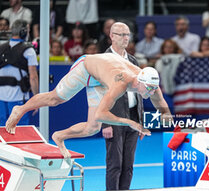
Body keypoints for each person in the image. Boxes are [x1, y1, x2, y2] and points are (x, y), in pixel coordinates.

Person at [5, 53, 172, 158]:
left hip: (100, 78)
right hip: (86, 67)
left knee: (92, 128)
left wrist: (173, 125)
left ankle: (59, 136)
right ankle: (19, 109)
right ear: (139, 82)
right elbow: (101, 114)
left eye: (153, 89)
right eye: (148, 89)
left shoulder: (150, 85)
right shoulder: (121, 83)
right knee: (55, 99)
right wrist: (131, 123)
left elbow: (162, 106)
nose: (150, 93)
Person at [101, 22, 144, 191]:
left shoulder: (133, 60)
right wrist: (105, 122)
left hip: (132, 117)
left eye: (127, 34)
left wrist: (140, 121)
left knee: (128, 165)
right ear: (111, 36)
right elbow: (98, 93)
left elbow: (139, 93)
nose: (126, 38)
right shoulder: (103, 61)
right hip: (114, 117)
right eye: (121, 35)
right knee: (115, 164)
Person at [0, 19, 38, 126]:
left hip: (1, 99)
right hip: (18, 98)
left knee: (1, 133)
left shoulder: (1, 48)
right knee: (20, 133)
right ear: (24, 32)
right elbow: (33, 77)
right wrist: (36, 99)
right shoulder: (29, 51)